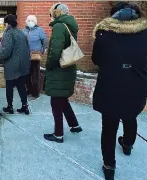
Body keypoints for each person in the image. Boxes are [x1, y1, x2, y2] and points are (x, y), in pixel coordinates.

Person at [92, 2, 147, 180]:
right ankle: (127, 144)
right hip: (136, 83)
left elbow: (96, 59)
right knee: (130, 116)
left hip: (110, 84)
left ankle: (109, 166)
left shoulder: (104, 33)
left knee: (109, 127)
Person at [43, 3, 83, 143]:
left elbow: (55, 51)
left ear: (57, 12)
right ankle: (75, 125)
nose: (51, 14)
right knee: (63, 99)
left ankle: (58, 134)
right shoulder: (70, 25)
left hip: (59, 70)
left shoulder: (59, 26)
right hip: (68, 67)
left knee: (56, 103)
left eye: (52, 12)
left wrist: (49, 65)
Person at [0, 14, 31, 115]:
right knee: (21, 86)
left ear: (7, 23)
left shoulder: (9, 33)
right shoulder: (22, 33)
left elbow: (6, 51)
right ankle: (25, 107)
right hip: (24, 65)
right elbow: (27, 49)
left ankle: (10, 107)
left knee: (9, 87)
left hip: (13, 65)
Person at [22, 15, 47, 98]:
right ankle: (28, 90)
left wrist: (42, 51)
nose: (30, 22)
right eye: (28, 20)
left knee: (35, 75)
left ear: (35, 21)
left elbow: (45, 41)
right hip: (26, 56)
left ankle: (35, 92)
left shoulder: (39, 30)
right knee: (26, 75)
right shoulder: (24, 31)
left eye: (32, 20)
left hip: (35, 56)